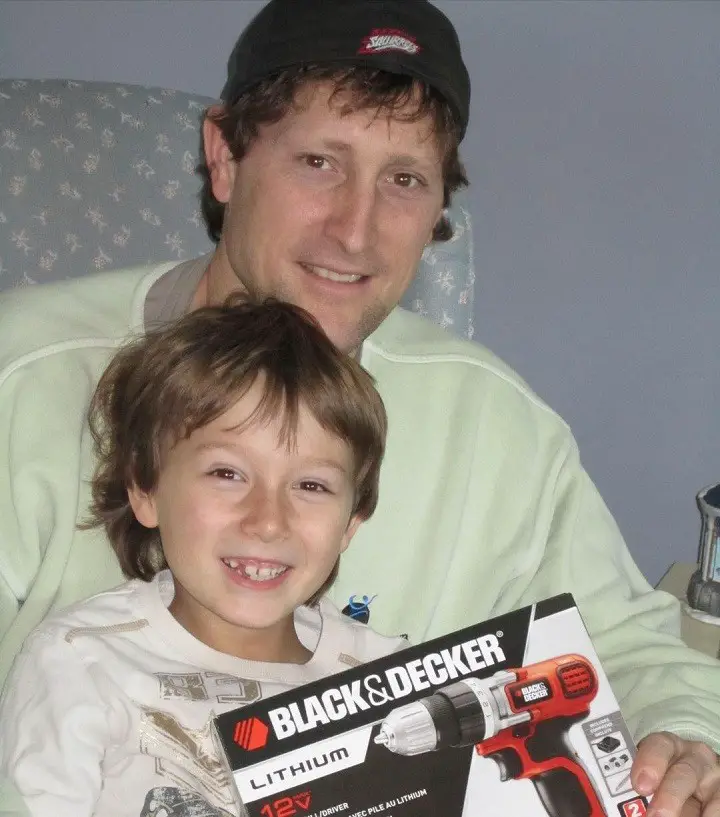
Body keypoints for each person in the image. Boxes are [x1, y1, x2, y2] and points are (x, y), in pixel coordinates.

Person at [0, 1, 718, 814]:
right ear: (226, 156)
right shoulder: (19, 378)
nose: (355, 229)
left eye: (405, 179)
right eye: (318, 162)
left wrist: (683, 739)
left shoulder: (496, 426)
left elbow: (629, 649)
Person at [0, 296, 408, 816]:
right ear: (146, 490)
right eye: (227, 474)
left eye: (310, 485)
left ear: (352, 522)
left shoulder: (387, 678)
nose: (267, 520)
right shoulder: (82, 663)